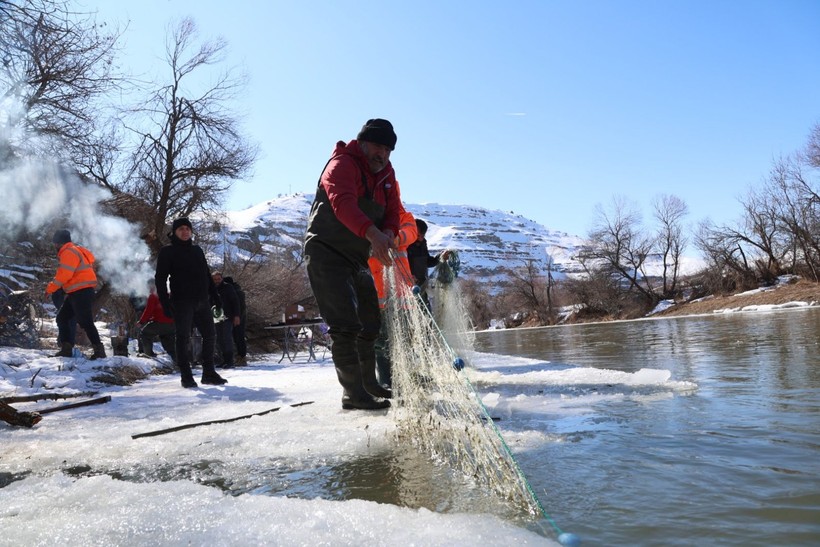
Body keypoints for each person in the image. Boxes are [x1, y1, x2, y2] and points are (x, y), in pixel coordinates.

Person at [304, 118, 401, 410]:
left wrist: (388, 232)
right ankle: (352, 393)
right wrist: (372, 233)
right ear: (362, 142)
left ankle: (369, 384)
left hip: (357, 257)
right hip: (326, 253)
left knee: (370, 322)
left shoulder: (386, 173)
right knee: (344, 324)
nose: (382, 154)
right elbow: (343, 203)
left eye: (387, 149)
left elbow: (393, 211)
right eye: (377, 146)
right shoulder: (342, 164)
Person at [154, 218, 227, 388]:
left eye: (187, 228)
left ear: (191, 231)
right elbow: (160, 279)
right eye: (181, 229)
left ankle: (208, 372)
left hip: (202, 300)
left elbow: (206, 274)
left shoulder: (197, 250)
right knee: (182, 338)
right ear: (174, 232)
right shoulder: (168, 251)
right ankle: (186, 376)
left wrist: (215, 296)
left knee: (210, 335)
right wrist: (164, 303)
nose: (185, 231)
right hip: (182, 302)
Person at [367, 181, 418, 388]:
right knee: (380, 344)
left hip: (401, 299)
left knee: (404, 342)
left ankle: (405, 379)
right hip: (375, 297)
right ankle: (386, 382)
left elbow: (410, 233)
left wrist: (394, 238)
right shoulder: (368, 220)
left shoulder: (403, 217)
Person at [45, 229, 106, 359]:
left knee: (86, 321)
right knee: (62, 318)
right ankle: (66, 349)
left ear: (59, 243)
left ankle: (99, 351)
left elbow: (65, 274)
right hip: (77, 291)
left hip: (81, 291)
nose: (54, 246)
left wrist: (50, 288)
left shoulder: (68, 252)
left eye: (55, 243)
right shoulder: (74, 250)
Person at [407, 219, 450, 310]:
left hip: (422, 286)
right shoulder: (405, 244)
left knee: (426, 316)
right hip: (408, 289)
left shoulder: (422, 244)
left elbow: (428, 262)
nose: (420, 238)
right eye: (418, 235)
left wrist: (440, 257)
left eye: (423, 235)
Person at [137, 279, 176, 360]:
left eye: (149, 286)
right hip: (172, 324)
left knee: (144, 334)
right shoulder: (168, 293)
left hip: (161, 323)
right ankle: (177, 361)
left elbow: (148, 311)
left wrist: (141, 322)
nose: (148, 288)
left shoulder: (153, 295)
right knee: (168, 342)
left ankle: (147, 356)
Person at [211, 271, 240, 368]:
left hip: (228, 315)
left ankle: (230, 361)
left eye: (218, 279)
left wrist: (236, 315)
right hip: (216, 316)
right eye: (215, 279)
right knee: (219, 339)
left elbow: (235, 301)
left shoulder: (228, 287)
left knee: (227, 338)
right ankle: (223, 360)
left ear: (221, 278)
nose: (217, 281)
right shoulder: (210, 288)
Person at [223, 276, 247, 364]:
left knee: (238, 337)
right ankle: (240, 357)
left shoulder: (236, 292)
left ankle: (241, 357)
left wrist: (237, 317)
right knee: (238, 337)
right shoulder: (238, 291)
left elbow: (239, 307)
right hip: (238, 317)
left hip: (238, 318)